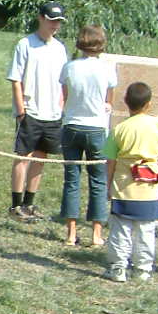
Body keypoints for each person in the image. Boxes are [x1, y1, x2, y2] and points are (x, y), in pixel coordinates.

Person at [100, 81, 158, 283]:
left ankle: (118, 267)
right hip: (148, 187)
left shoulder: (119, 129)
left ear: (126, 101)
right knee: (146, 229)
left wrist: (108, 185)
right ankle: (143, 269)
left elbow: (110, 162)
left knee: (121, 229)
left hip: (123, 187)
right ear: (149, 104)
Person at [7, 1, 69, 222]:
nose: (55, 25)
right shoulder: (25, 44)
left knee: (41, 158)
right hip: (30, 111)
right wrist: (21, 109)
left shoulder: (60, 48)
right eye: (51, 20)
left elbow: (64, 81)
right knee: (23, 157)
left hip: (52, 114)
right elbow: (16, 79)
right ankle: (16, 205)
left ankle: (29, 203)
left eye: (58, 22)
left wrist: (61, 106)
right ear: (41, 18)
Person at [58, 24, 117, 247]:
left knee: (71, 180)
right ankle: (96, 235)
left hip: (72, 126)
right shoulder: (107, 69)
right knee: (98, 181)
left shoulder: (69, 67)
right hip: (96, 128)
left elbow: (65, 97)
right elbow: (109, 100)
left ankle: (71, 233)